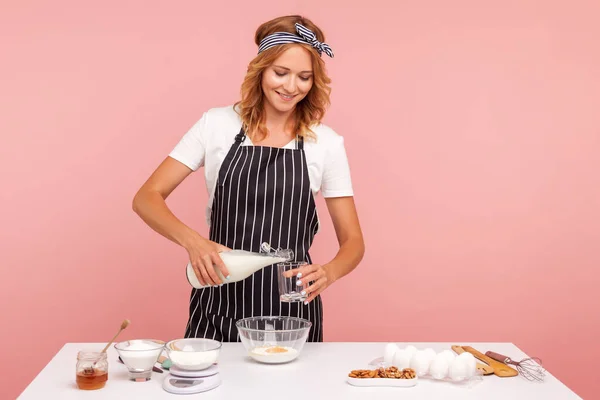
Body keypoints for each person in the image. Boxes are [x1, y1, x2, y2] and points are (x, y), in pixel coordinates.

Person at [132, 15, 364, 342]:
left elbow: (353, 241)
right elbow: (146, 197)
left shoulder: (326, 143)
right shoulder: (216, 124)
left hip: (292, 313)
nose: (290, 86)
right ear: (260, 69)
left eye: (304, 77)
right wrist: (194, 242)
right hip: (217, 306)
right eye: (280, 73)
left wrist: (329, 272)